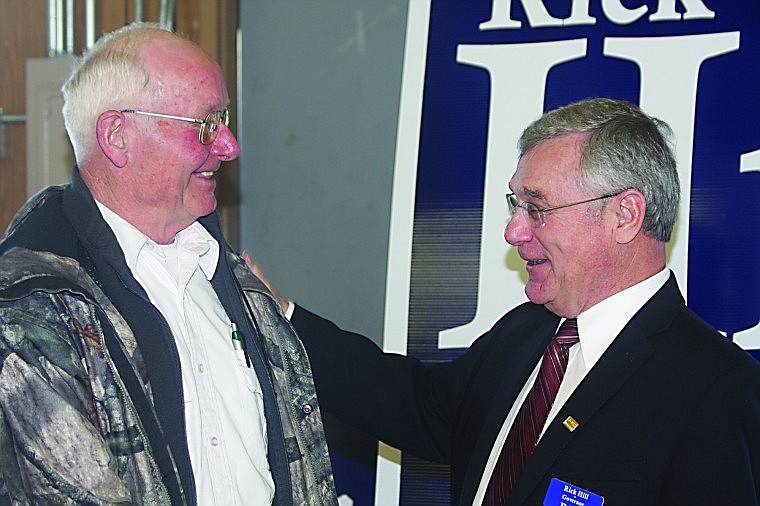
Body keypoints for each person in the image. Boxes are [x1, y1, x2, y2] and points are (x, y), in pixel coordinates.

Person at [253, 98, 760, 505]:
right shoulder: (527, 332)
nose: (513, 231)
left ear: (624, 215)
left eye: (537, 208)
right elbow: (417, 406)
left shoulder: (713, 389)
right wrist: (281, 321)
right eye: (516, 204)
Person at [0, 23, 336, 505]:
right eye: (205, 125)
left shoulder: (239, 285)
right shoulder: (32, 313)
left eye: (224, 119)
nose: (229, 147)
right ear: (117, 136)